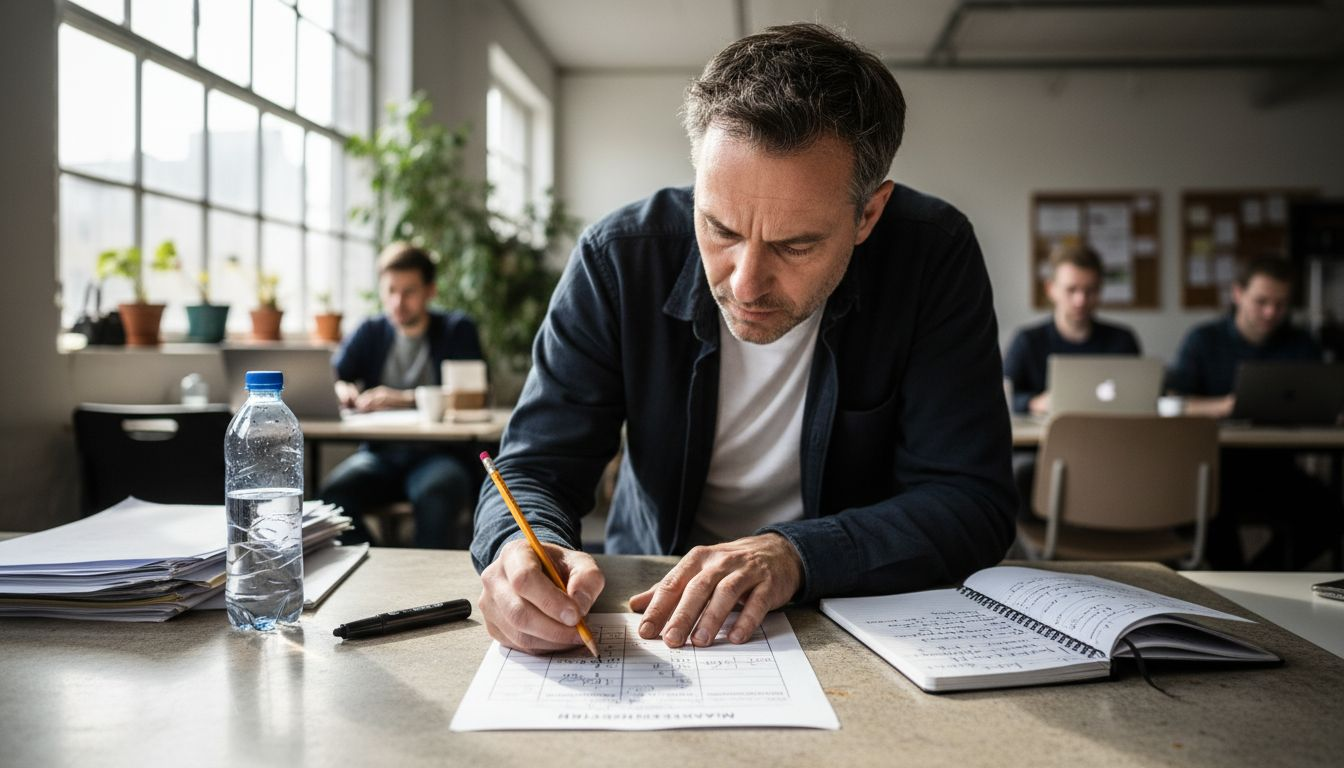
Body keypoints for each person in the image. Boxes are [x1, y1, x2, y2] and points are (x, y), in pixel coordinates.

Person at [471, 24, 1016, 655]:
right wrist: (521, 549)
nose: (746, 284)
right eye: (720, 228)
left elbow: (971, 500)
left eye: (796, 245)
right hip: (651, 596)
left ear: (869, 213)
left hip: (845, 610)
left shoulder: (932, 256)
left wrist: (795, 554)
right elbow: (535, 466)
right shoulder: (618, 259)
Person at [1167, 255, 1340, 569]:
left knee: (1330, 514)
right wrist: (1224, 406)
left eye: (1281, 304)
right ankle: (1233, 583)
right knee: (1200, 513)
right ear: (1238, 294)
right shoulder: (1203, 340)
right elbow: (1172, 401)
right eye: (1261, 301)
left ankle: (1260, 576)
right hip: (1214, 468)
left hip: (1275, 468)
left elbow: (1323, 398)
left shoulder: (1301, 343)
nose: (1271, 312)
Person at [320, 243, 484, 549]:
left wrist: (402, 398)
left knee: (438, 491)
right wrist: (343, 389)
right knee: (333, 497)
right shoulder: (370, 330)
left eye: (409, 291)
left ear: (430, 290)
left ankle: (428, 586)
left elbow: (471, 396)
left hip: (440, 453)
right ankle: (377, 567)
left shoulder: (457, 329)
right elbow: (335, 376)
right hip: (381, 455)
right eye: (391, 290)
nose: (398, 302)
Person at [1004, 243, 1142, 416]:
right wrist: (1034, 403)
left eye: (1090, 290)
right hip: (1044, 440)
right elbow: (1002, 396)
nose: (1080, 300)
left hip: (1108, 436)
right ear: (1050, 289)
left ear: (1100, 290)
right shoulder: (1027, 341)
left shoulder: (1122, 340)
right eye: (1071, 290)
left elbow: (1141, 397)